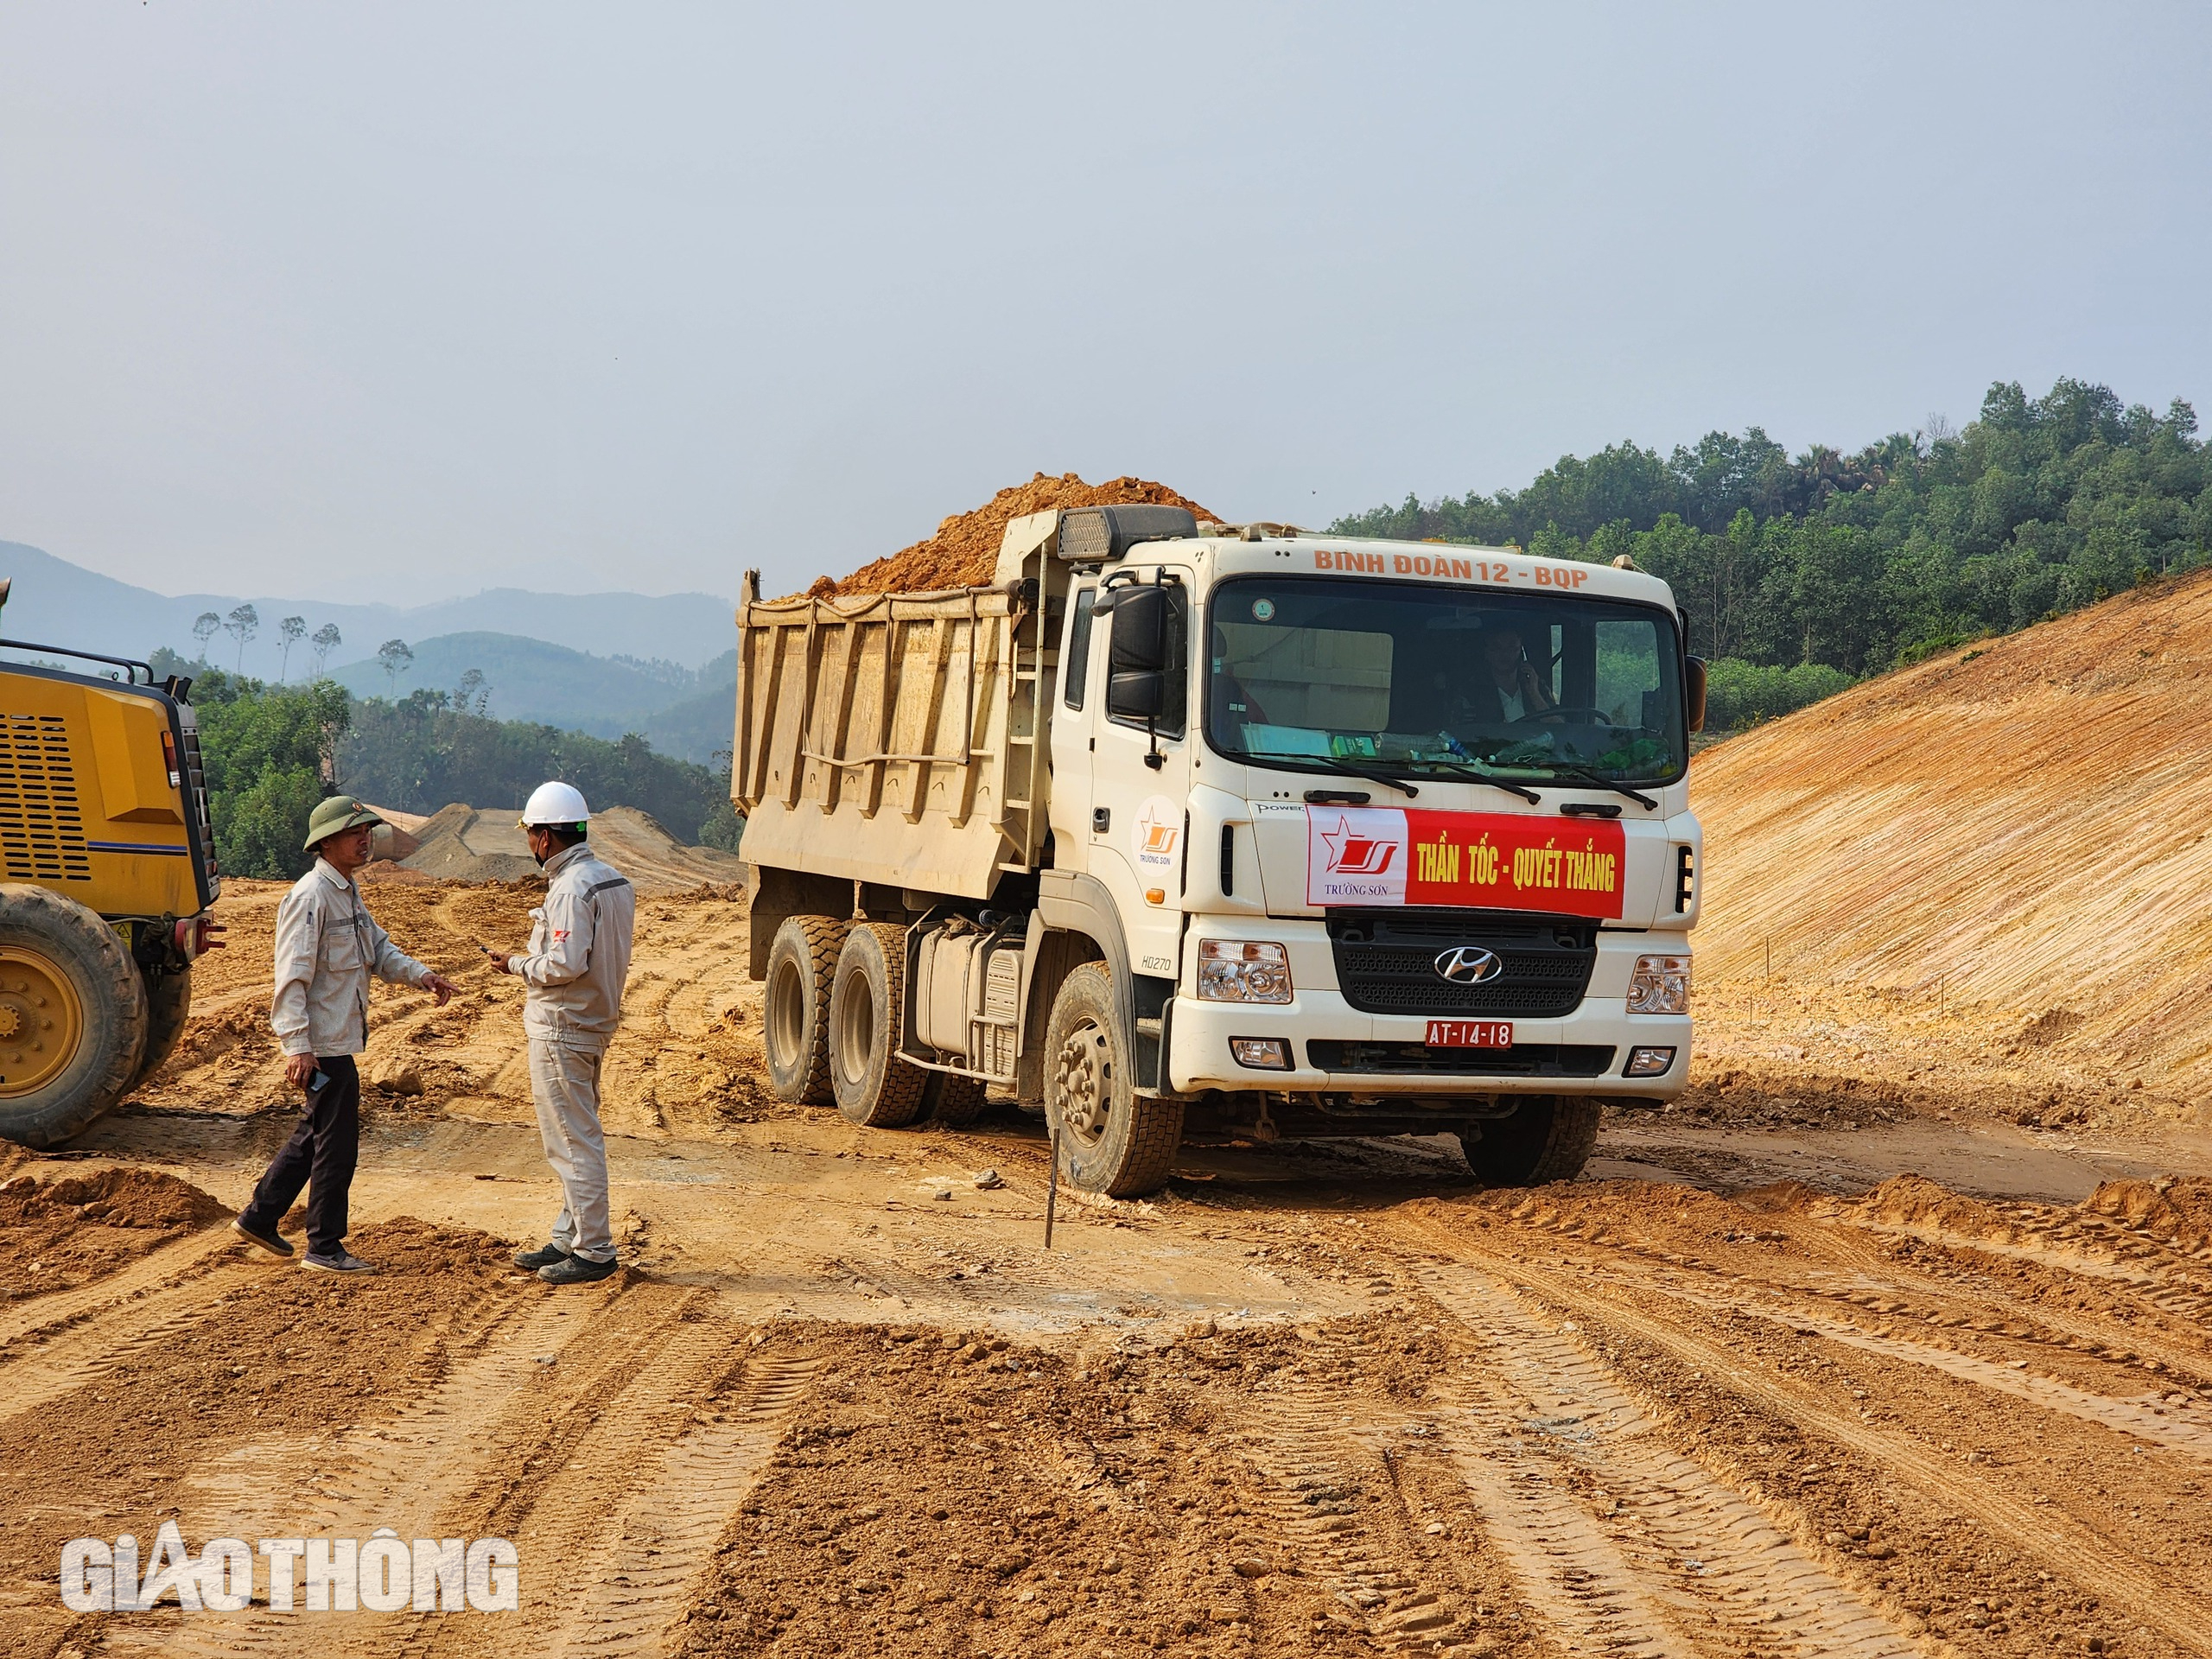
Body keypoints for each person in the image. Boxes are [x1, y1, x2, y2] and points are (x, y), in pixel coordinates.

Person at [232, 797, 461, 1274]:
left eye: (366, 831)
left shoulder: (347, 891)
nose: (365, 839)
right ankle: (324, 1247)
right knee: (335, 1147)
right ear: (326, 842)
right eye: (354, 832)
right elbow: (291, 978)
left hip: (337, 1043)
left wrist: (422, 976)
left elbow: (379, 950)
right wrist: (298, 1047)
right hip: (322, 1049)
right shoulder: (310, 897)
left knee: (314, 1134)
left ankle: (260, 1217)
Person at [485, 782, 636, 1287]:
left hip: (562, 1027)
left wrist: (515, 963)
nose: (529, 843)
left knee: (572, 1142)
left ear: (546, 837)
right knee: (577, 1135)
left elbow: (565, 964)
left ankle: (594, 1251)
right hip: (592, 1022)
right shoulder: (611, 879)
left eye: (530, 834)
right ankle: (568, 1236)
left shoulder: (570, 889)